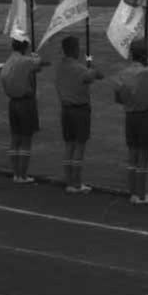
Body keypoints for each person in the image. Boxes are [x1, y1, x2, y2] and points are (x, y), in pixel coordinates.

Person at [114, 40, 148, 205]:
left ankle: (133, 193)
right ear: (144, 55)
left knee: (132, 156)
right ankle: (142, 195)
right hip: (145, 116)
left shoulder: (122, 73)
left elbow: (118, 98)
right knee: (144, 157)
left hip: (130, 116)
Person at [55, 34, 104, 194]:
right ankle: (77, 183)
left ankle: (69, 182)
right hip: (80, 111)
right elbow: (98, 75)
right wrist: (91, 65)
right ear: (75, 49)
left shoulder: (60, 67)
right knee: (79, 147)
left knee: (69, 146)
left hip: (65, 110)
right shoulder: (79, 69)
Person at [1, 38, 50, 183]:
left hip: (13, 103)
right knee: (26, 139)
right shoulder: (26, 61)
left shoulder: (9, 60)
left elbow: (37, 68)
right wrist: (36, 57)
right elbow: (44, 63)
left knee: (15, 139)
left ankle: (16, 173)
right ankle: (22, 175)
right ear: (25, 47)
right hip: (25, 103)